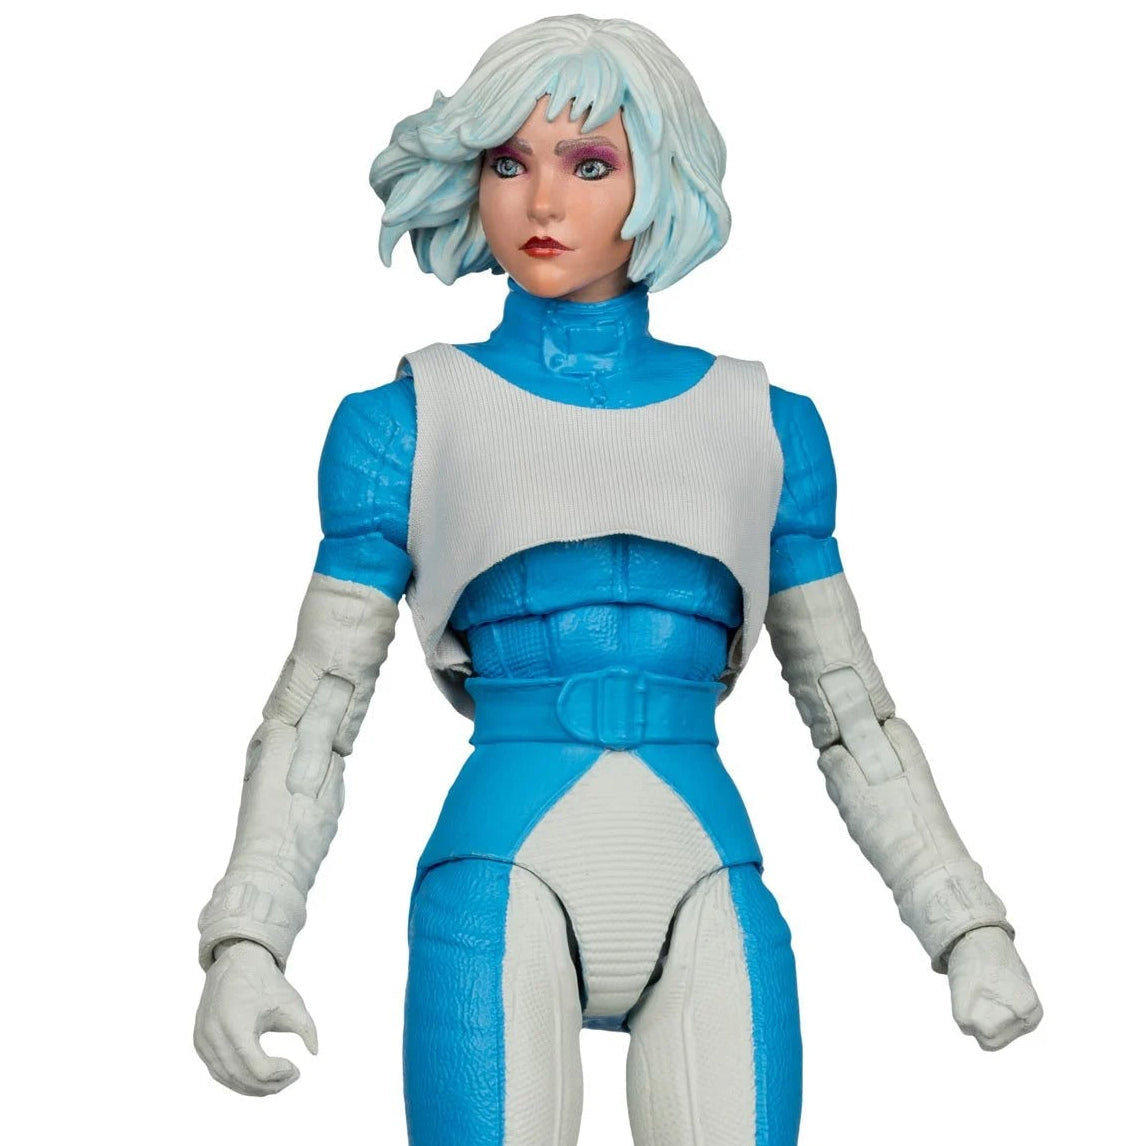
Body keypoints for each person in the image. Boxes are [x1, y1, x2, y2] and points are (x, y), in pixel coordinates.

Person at [193, 15, 1042, 1145]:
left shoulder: (768, 425)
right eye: (509, 163)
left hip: (704, 869)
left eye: (590, 165)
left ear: (660, 181)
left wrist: (967, 926)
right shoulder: (403, 423)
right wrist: (247, 937)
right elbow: (315, 712)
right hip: (504, 864)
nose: (543, 202)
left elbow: (852, 714)